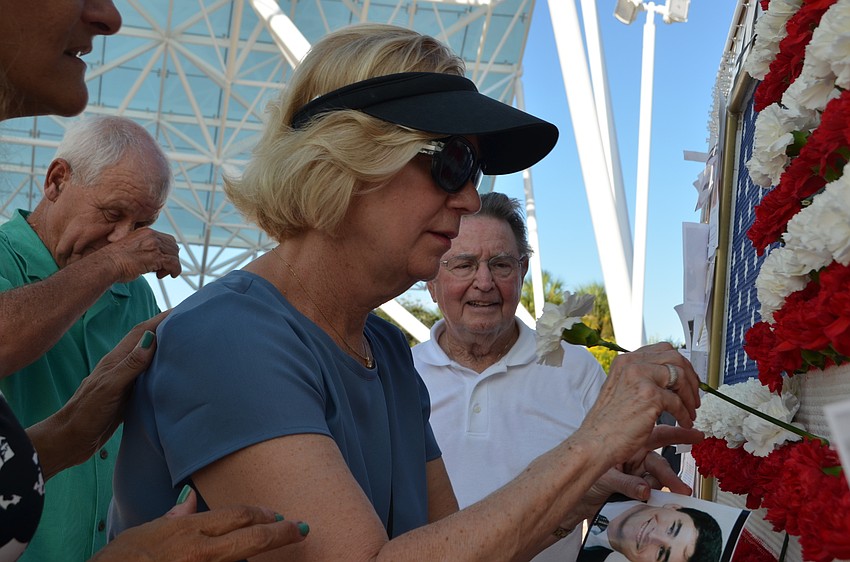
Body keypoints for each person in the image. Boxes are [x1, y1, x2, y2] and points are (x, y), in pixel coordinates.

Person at [110, 22, 703, 561]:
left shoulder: (386, 350)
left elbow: (452, 541)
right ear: (345, 158)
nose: (470, 197)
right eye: (451, 163)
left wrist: (586, 488)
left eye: (475, 172)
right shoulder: (227, 338)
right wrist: (591, 444)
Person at [0, 0, 308, 560]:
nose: (127, 239)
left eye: (142, 223)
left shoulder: (132, 294)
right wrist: (113, 263)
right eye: (112, 213)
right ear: (56, 180)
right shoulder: (12, 259)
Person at [413, 192, 690, 562]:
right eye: (463, 264)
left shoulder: (577, 372)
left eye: (501, 265)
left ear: (523, 271)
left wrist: (629, 484)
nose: (484, 281)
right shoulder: (398, 376)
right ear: (431, 278)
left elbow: (610, 506)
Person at [579, 500, 723, 562]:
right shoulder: (624, 471)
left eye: (661, 553)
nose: (652, 535)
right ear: (673, 507)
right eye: (672, 528)